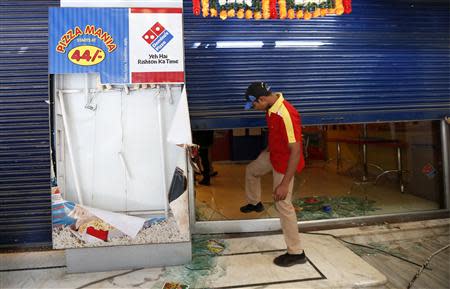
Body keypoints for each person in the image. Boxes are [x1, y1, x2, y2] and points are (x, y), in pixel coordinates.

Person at [240, 82, 306, 267]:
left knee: (283, 203)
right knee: (251, 170)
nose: (254, 108)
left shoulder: (286, 114)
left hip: (286, 163)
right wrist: (267, 150)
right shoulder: (270, 108)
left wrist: (284, 184)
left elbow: (296, 151)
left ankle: (296, 252)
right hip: (274, 154)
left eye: (254, 105)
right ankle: (255, 203)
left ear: (261, 99)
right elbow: (277, 135)